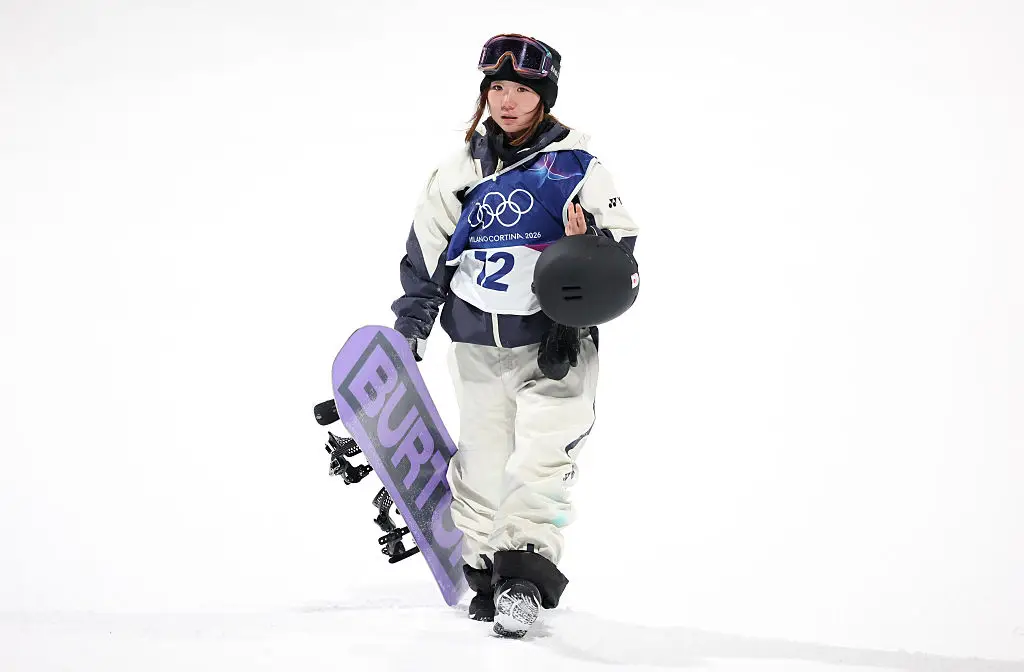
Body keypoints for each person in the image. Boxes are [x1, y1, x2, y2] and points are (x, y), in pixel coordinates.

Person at [391, 33, 639, 638]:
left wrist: (586, 250)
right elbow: (427, 256)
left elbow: (622, 248)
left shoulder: (579, 168)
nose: (507, 100)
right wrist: (410, 327)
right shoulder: (458, 172)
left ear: (543, 97)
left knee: (543, 454)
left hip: (552, 342)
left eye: (521, 89)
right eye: (497, 88)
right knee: (483, 461)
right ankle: (483, 569)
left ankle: (525, 574)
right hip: (477, 339)